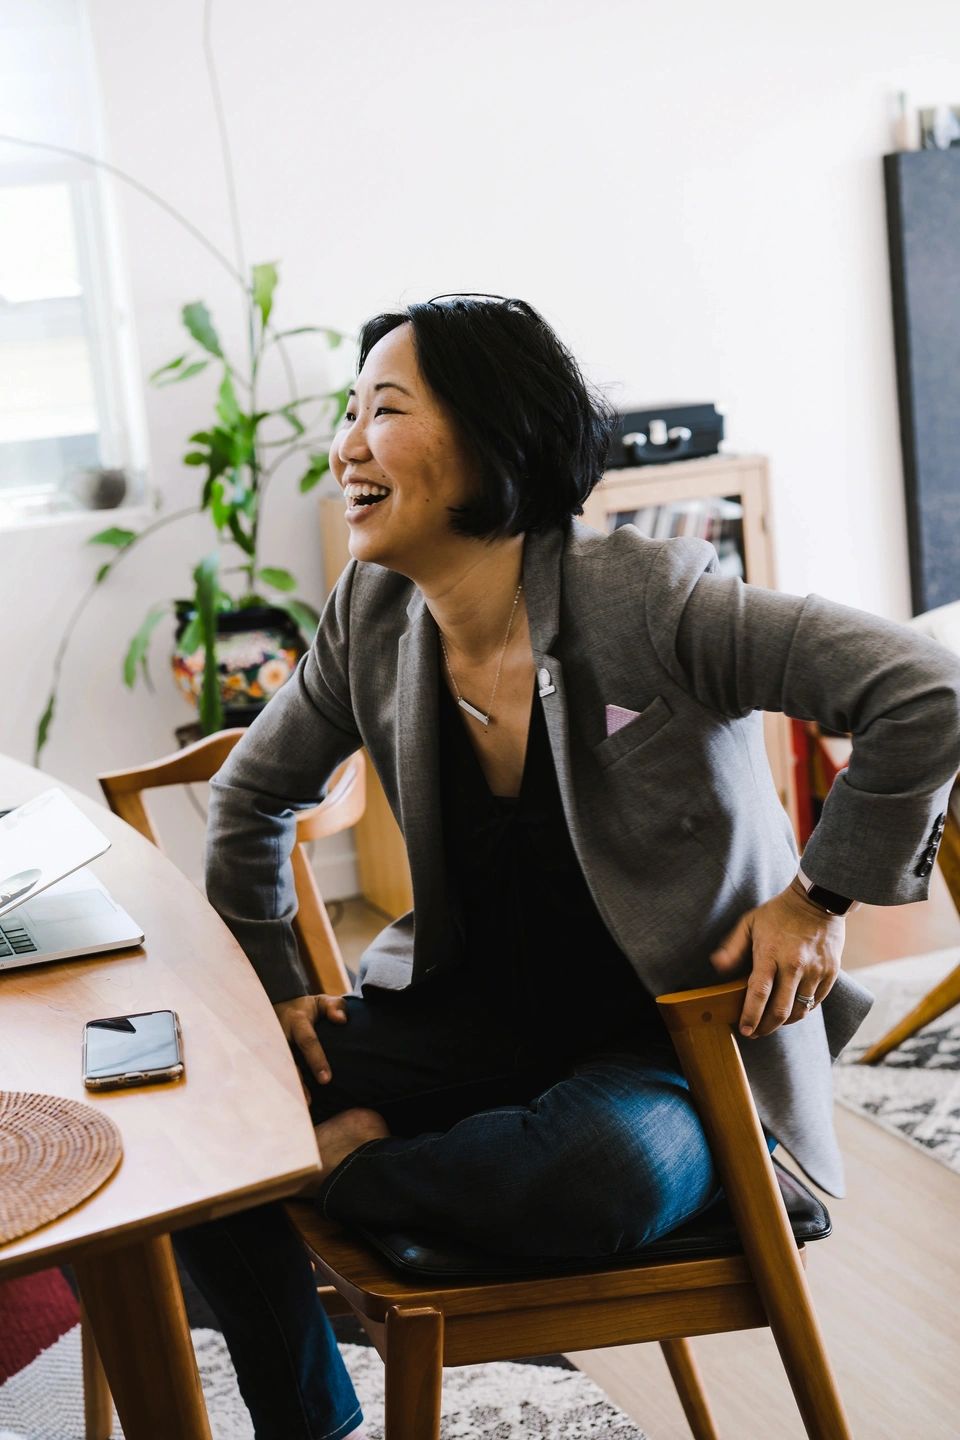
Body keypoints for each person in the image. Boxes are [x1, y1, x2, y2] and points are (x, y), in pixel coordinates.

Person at [173, 295, 960, 1440]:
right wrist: (281, 987)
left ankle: (344, 1174)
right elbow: (251, 798)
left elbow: (923, 689)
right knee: (203, 1114)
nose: (344, 445)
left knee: (599, 1178)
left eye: (382, 410)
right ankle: (317, 1424)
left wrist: (818, 896)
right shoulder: (374, 612)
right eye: (349, 412)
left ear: (493, 439)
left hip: (677, 1044)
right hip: (474, 1018)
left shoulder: (648, 599)